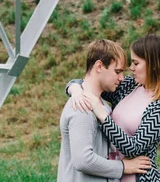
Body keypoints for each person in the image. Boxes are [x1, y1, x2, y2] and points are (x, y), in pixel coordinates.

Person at [67, 34, 160, 182]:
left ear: (154, 65)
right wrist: (74, 89)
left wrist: (103, 116)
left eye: (136, 63)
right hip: (113, 176)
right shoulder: (130, 86)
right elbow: (92, 81)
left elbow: (133, 148)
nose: (131, 68)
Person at [58, 38, 151, 182]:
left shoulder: (101, 104)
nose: (121, 78)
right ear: (99, 66)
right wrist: (123, 167)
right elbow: (83, 160)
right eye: (117, 71)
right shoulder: (82, 106)